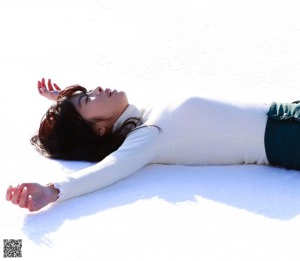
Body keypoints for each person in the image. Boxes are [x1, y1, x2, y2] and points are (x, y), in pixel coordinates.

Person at [6, 78, 300, 212]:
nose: (96, 89)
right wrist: (55, 190)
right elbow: (111, 169)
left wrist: (65, 100)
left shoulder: (144, 114)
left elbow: (88, 117)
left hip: (288, 112)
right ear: (97, 129)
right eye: (88, 99)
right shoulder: (147, 137)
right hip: (287, 139)